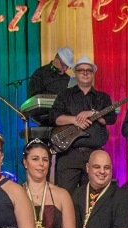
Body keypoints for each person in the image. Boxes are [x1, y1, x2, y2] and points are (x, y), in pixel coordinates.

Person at [49, 57, 116, 192]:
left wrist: (94, 113)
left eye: (89, 70)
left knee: (94, 196)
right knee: (66, 195)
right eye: (81, 70)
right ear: (76, 73)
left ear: (93, 74)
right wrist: (75, 120)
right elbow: (54, 118)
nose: (85, 73)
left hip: (95, 155)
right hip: (69, 154)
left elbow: (110, 119)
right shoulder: (65, 95)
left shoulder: (103, 98)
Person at [72, 150, 128, 228]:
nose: (102, 171)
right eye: (97, 167)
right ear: (87, 168)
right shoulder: (77, 193)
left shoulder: (123, 196)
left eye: (107, 168)